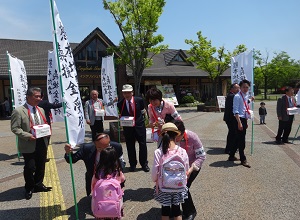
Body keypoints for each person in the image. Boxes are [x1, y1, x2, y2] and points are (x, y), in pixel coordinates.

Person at [11, 87, 52, 200]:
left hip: (42, 141)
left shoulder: (41, 109)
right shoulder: (19, 111)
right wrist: (29, 136)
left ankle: (38, 184)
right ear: (28, 97)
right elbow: (15, 128)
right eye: (36, 96)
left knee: (41, 165)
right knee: (30, 167)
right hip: (28, 142)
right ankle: (29, 187)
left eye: (40, 96)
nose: (39, 98)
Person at [151, 122, 189, 220]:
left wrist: (155, 181)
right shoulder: (182, 151)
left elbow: (155, 172)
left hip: (164, 186)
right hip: (178, 186)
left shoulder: (159, 152)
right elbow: (187, 170)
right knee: (177, 211)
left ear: (163, 136)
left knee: (165, 211)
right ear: (176, 135)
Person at [173, 120, 206, 220]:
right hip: (178, 167)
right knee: (175, 188)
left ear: (183, 132)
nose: (176, 139)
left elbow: (201, 156)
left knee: (184, 187)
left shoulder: (192, 137)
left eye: (178, 136)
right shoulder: (170, 138)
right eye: (174, 136)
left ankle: (190, 212)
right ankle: (175, 211)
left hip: (193, 166)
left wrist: (191, 169)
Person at [117, 84, 149, 172]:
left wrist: (145, 122)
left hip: (139, 126)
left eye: (128, 93)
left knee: (142, 145)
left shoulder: (139, 100)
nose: (126, 95)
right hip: (128, 127)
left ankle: (144, 164)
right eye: (125, 93)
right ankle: (132, 164)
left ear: (132, 93)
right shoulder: (120, 103)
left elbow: (143, 112)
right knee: (130, 146)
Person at [91, 147, 125, 220]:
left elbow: (93, 185)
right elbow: (123, 179)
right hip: (114, 203)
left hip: (100, 204)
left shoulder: (98, 172)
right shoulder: (117, 171)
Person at [229, 79, 253, 168]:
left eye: (247, 87)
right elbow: (235, 111)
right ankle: (243, 159)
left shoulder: (245, 96)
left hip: (244, 118)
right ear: (240, 87)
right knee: (241, 140)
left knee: (237, 138)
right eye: (243, 87)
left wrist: (250, 100)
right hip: (238, 119)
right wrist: (239, 123)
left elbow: (245, 104)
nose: (245, 89)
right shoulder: (237, 96)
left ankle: (231, 155)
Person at [223, 83, 240, 154]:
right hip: (230, 118)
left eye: (239, 87)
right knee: (232, 133)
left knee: (232, 133)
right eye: (236, 88)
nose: (238, 89)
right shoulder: (232, 96)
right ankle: (229, 149)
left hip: (229, 117)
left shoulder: (232, 95)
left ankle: (231, 147)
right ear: (232, 89)